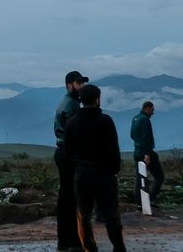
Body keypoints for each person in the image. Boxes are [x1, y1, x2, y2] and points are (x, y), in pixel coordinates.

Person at [65, 84, 127, 252]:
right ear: (97, 99)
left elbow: (68, 152)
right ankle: (119, 247)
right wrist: (114, 170)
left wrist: (75, 171)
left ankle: (89, 248)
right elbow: (114, 149)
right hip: (104, 174)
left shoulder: (72, 123)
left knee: (84, 215)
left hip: (82, 174)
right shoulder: (106, 121)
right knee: (110, 214)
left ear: (81, 100)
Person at [53, 70, 88, 251]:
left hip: (63, 152)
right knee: (71, 198)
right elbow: (76, 133)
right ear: (69, 85)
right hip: (69, 154)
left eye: (82, 83)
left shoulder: (68, 102)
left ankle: (63, 240)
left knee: (65, 197)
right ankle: (73, 240)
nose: (81, 86)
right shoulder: (72, 105)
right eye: (78, 83)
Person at [131, 101, 164, 209]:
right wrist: (147, 153)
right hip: (145, 152)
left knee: (140, 177)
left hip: (136, 151)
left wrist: (138, 144)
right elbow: (146, 137)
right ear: (148, 108)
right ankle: (150, 199)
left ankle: (139, 202)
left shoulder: (135, 118)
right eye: (152, 110)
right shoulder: (145, 120)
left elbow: (132, 135)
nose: (153, 113)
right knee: (159, 176)